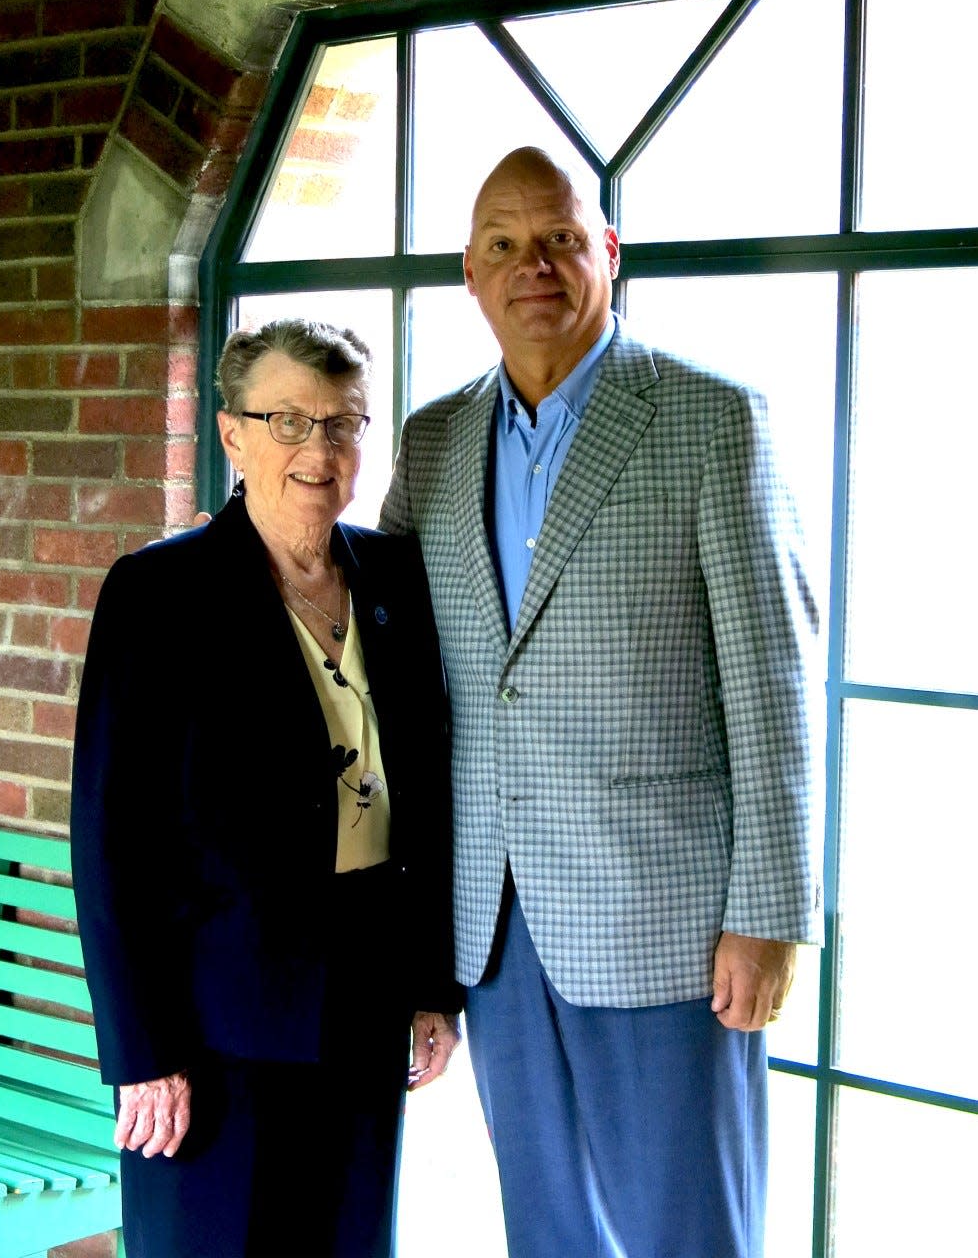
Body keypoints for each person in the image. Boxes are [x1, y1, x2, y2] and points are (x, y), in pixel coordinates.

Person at [377, 147, 823, 1257]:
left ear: (607, 256)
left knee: (689, 1232)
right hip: (493, 920)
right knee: (548, 1229)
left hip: (668, 923)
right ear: (467, 276)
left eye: (560, 238)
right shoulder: (430, 441)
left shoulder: (712, 419)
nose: (533, 263)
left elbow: (774, 683)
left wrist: (770, 913)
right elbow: (382, 640)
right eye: (502, 245)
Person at [70, 317, 461, 1258]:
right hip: (212, 1032)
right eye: (286, 420)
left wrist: (432, 985)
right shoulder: (157, 594)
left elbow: (432, 798)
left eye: (342, 423)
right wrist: (142, 1053)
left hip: (364, 1018)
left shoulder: (397, 581)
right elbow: (109, 840)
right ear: (232, 433)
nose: (317, 450)